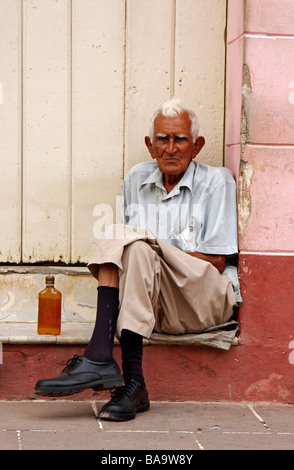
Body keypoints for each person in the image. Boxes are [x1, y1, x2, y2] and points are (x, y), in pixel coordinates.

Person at [34, 98, 241, 421]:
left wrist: (152, 249)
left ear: (197, 146)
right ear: (150, 145)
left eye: (180, 139)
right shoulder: (136, 179)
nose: (171, 148)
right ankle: (134, 384)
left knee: (134, 242)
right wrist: (146, 250)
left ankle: (99, 355)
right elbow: (128, 258)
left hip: (204, 300)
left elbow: (214, 261)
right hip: (158, 302)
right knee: (135, 249)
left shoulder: (217, 182)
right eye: (162, 139)